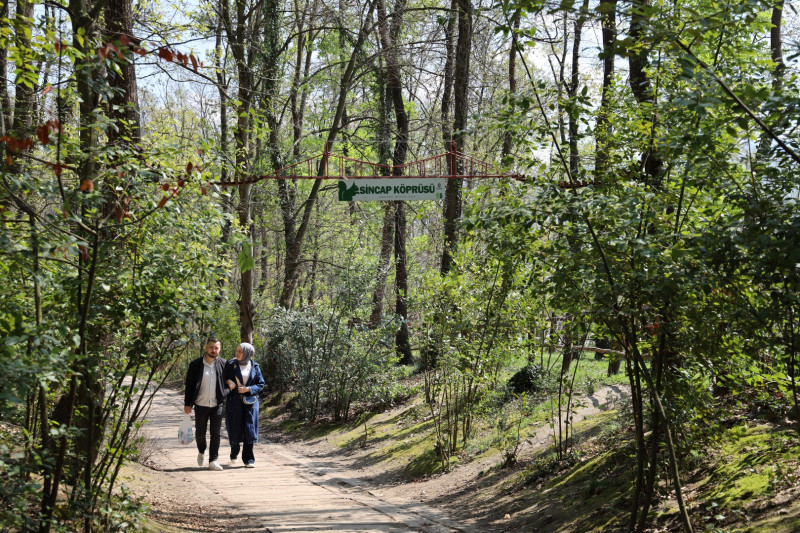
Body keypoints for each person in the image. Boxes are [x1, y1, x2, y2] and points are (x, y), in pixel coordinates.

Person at [184, 337, 229, 471]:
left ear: (219, 349)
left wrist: (225, 392)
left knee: (216, 433)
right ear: (206, 347)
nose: (213, 350)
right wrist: (187, 404)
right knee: (200, 433)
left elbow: (229, 383)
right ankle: (201, 450)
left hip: (217, 405)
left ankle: (213, 460)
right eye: (211, 347)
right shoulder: (196, 364)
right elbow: (189, 386)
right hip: (200, 404)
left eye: (216, 348)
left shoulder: (224, 364)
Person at [224, 342, 265, 468]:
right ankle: (234, 450)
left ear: (248, 353)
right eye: (237, 350)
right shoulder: (231, 365)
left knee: (249, 430)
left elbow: (261, 384)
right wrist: (228, 381)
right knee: (234, 428)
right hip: (234, 402)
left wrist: (248, 389)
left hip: (251, 403)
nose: (237, 353)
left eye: (240, 351)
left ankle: (249, 459)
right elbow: (222, 377)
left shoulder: (255, 366)